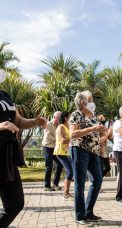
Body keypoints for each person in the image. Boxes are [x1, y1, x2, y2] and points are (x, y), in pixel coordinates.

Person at [0, 69, 47, 228]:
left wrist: (35, 122)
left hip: (7, 154)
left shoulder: (4, 95)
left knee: (15, 204)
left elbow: (18, 121)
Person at [69, 90, 106, 225]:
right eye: (90, 99)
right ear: (83, 102)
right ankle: (80, 216)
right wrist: (92, 129)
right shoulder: (76, 114)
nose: (92, 102)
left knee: (97, 180)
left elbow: (96, 134)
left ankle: (88, 212)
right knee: (79, 183)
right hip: (79, 149)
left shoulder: (94, 116)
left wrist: (102, 131)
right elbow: (73, 134)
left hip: (94, 152)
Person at [54, 111, 73, 200]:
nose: (71, 118)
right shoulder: (60, 127)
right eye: (70, 116)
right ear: (65, 118)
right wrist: (74, 137)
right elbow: (63, 140)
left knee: (71, 171)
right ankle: (65, 193)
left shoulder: (68, 126)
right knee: (70, 171)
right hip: (60, 152)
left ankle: (67, 192)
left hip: (66, 152)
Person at [42, 111, 63, 191]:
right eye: (55, 117)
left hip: (54, 147)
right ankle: (46, 186)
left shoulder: (59, 125)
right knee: (49, 166)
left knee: (59, 164)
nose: (56, 119)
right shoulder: (49, 124)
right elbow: (48, 136)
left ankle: (55, 183)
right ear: (53, 117)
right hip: (47, 147)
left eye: (58, 118)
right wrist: (57, 139)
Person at [97, 114, 112, 179]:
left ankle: (98, 179)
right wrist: (108, 134)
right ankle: (98, 182)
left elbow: (110, 138)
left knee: (108, 167)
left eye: (103, 119)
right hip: (99, 151)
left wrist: (110, 132)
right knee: (100, 168)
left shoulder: (104, 127)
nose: (103, 120)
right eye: (101, 119)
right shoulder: (97, 128)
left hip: (105, 151)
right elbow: (99, 141)